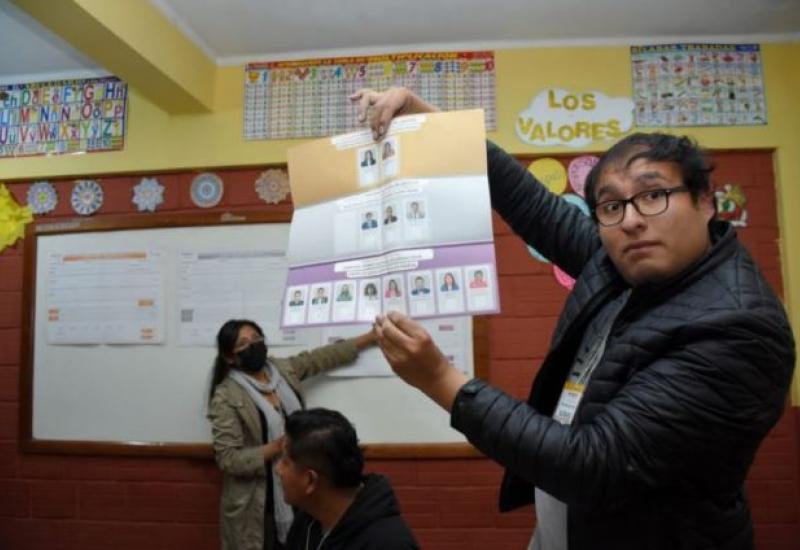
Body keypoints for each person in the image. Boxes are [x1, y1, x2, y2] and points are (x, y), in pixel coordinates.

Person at [353, 87, 795, 550]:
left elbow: (595, 467)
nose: (631, 220)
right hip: (566, 528)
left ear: (705, 201)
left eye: (654, 195)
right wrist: (437, 127)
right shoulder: (622, 262)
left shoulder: (739, 326)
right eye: (611, 205)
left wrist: (439, 378)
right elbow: (535, 206)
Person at [207, 319, 378, 550]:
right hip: (258, 506)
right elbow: (228, 459)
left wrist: (369, 338)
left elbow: (322, 357)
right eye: (244, 343)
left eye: (257, 339)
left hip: (302, 491)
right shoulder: (226, 396)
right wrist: (280, 446)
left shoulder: (283, 371)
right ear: (229, 356)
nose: (254, 345)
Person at [279, 408, 420, 549]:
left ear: (310, 480)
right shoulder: (307, 522)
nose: (277, 469)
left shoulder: (389, 544)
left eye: (285, 462)